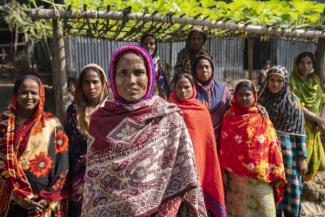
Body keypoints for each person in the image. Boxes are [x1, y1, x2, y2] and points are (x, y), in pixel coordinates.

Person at [81, 45, 207, 217]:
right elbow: (94, 186)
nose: (131, 80)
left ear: (150, 76)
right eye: (123, 73)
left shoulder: (169, 117)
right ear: (113, 78)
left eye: (139, 72)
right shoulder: (100, 120)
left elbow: (185, 174)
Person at [0, 74, 69, 217]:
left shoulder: (53, 125)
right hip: (12, 202)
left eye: (34, 92)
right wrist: (20, 197)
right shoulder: (3, 126)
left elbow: (62, 166)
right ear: (16, 95)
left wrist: (48, 197)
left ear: (41, 95)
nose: (29, 97)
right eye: (24, 92)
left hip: (44, 203)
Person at [220, 80, 286, 217]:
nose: (244, 98)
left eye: (247, 94)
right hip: (236, 180)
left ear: (254, 96)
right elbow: (224, 145)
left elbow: (273, 145)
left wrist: (276, 171)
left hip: (261, 178)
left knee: (264, 211)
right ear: (235, 96)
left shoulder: (262, 117)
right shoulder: (229, 117)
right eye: (240, 95)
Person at [168, 73, 226, 217]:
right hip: (174, 166)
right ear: (174, 89)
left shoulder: (201, 110)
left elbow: (206, 144)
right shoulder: (167, 109)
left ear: (193, 88)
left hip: (197, 163)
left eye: (187, 87)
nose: (183, 91)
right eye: (179, 87)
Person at [258, 65, 307, 217]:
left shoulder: (294, 102)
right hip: (267, 154)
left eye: (279, 81)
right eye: (272, 80)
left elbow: (300, 132)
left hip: (289, 154)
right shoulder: (260, 100)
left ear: (285, 83)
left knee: (291, 186)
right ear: (267, 81)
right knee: (271, 188)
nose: (275, 84)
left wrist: (302, 158)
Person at [64, 64, 109, 217]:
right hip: (79, 179)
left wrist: (97, 158)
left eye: (95, 82)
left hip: (108, 178)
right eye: (86, 82)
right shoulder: (73, 111)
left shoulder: (113, 110)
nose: (91, 86)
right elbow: (67, 144)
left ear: (103, 83)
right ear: (81, 86)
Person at [289, 52, 325, 181]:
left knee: (316, 161)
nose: (305, 66)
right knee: (300, 160)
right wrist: (318, 119)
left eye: (309, 63)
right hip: (300, 127)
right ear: (296, 64)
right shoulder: (291, 81)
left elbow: (322, 100)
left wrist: (321, 120)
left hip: (316, 126)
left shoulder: (314, 79)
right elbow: (298, 106)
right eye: (302, 63)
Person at [192, 54, 231, 138]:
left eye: (207, 67)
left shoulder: (223, 89)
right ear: (195, 71)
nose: (204, 70)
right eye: (200, 67)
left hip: (219, 137)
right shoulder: (189, 89)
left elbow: (234, 107)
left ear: (212, 69)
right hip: (197, 137)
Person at [140, 33, 172, 99]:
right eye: (145, 44)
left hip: (162, 97)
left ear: (155, 46)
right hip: (143, 97)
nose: (149, 46)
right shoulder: (137, 62)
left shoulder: (161, 62)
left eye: (152, 44)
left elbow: (168, 80)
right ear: (141, 45)